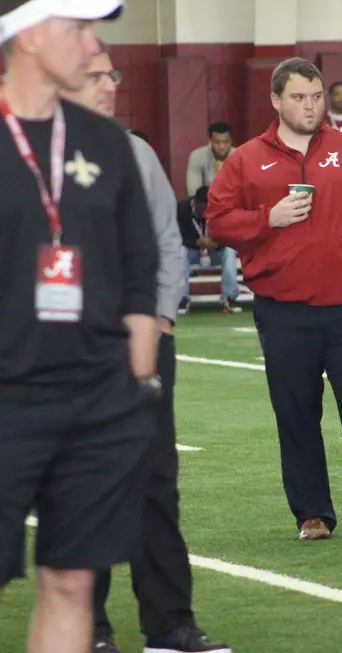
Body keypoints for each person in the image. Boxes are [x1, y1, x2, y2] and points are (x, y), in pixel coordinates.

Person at [60, 40, 231, 653]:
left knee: (155, 482)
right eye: (95, 75)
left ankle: (169, 622)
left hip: (140, 343)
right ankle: (89, 626)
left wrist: (159, 320)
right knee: (81, 487)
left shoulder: (135, 153)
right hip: (64, 352)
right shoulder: (27, 155)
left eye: (112, 74)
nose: (110, 84)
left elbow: (165, 240)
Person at [0, 2, 160, 653]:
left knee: (71, 580)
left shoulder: (104, 141)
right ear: (30, 37)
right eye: (79, 29)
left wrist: (138, 372)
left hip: (97, 400)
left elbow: (140, 264)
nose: (94, 48)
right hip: (5, 399)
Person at [206, 57, 342, 542]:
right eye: (299, 97)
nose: (310, 105)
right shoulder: (245, 159)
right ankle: (312, 514)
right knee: (297, 414)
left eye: (316, 96)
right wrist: (267, 218)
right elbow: (217, 220)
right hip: (283, 311)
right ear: (277, 100)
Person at [176, 186, 242, 314]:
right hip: (193, 251)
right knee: (180, 252)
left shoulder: (220, 209)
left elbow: (229, 233)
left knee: (229, 250)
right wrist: (196, 242)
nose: (207, 211)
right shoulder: (182, 209)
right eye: (204, 207)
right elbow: (176, 236)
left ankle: (229, 297)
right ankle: (182, 299)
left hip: (214, 250)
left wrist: (216, 242)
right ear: (196, 203)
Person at [186, 121, 234, 196]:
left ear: (231, 141)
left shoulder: (241, 156)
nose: (222, 147)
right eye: (217, 142)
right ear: (210, 141)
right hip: (206, 202)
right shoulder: (198, 156)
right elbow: (194, 192)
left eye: (225, 142)